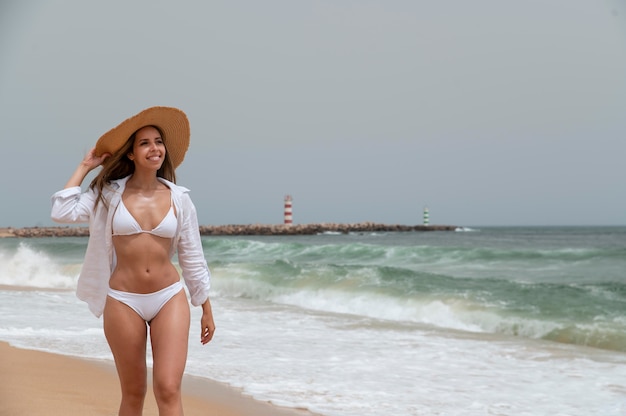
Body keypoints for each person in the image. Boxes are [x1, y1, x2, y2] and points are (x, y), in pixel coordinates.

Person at [50, 106, 215, 416]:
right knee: (134, 392)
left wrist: (204, 305)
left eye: (158, 141)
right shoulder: (108, 195)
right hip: (123, 300)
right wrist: (85, 167)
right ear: (130, 154)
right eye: (144, 143)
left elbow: (192, 255)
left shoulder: (180, 198)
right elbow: (62, 211)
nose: (154, 149)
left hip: (169, 296)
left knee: (168, 388)